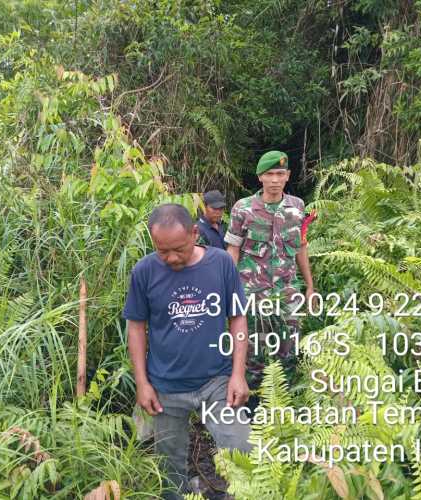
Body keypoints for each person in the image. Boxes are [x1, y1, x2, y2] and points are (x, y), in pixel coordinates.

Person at [123, 203, 251, 499]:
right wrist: (142, 384)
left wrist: (238, 374)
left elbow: (238, 317)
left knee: (243, 449)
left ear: (195, 233)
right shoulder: (144, 271)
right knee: (168, 467)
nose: (170, 258)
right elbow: (136, 327)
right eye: (162, 250)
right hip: (165, 385)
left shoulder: (220, 263)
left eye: (178, 249)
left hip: (217, 380)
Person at [224, 150, 315, 389]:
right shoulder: (242, 209)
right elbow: (232, 250)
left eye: (280, 174)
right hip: (252, 294)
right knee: (252, 352)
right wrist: (226, 289)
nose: (275, 179)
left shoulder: (297, 208)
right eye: (269, 174)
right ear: (260, 177)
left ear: (288, 176)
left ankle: (283, 408)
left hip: (287, 293)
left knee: (288, 351)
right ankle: (250, 406)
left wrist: (310, 286)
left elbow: (301, 248)